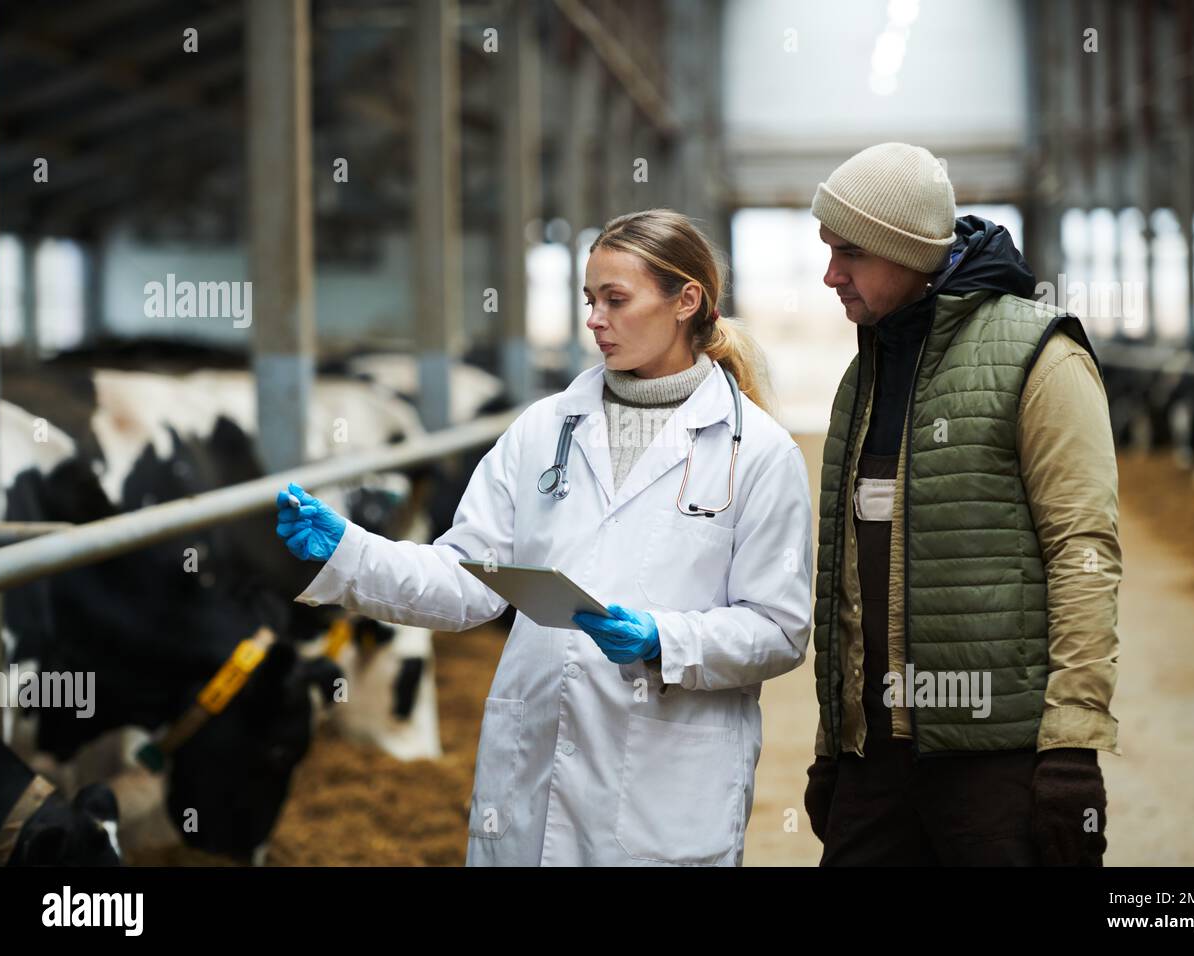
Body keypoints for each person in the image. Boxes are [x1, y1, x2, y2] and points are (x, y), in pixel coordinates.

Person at [276, 209, 814, 867]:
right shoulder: (544, 429)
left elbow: (780, 630)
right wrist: (353, 550)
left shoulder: (756, 453)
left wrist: (665, 640)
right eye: (590, 300)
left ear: (687, 301)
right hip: (530, 771)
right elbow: (467, 583)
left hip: (664, 784)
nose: (594, 319)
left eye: (616, 299)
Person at [803, 142, 1121, 866]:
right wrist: (834, 746)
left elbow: (1084, 551)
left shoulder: (1040, 353)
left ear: (905, 250)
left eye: (848, 251)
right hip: (875, 763)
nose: (829, 274)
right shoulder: (867, 374)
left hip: (996, 764)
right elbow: (851, 579)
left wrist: (1072, 749)